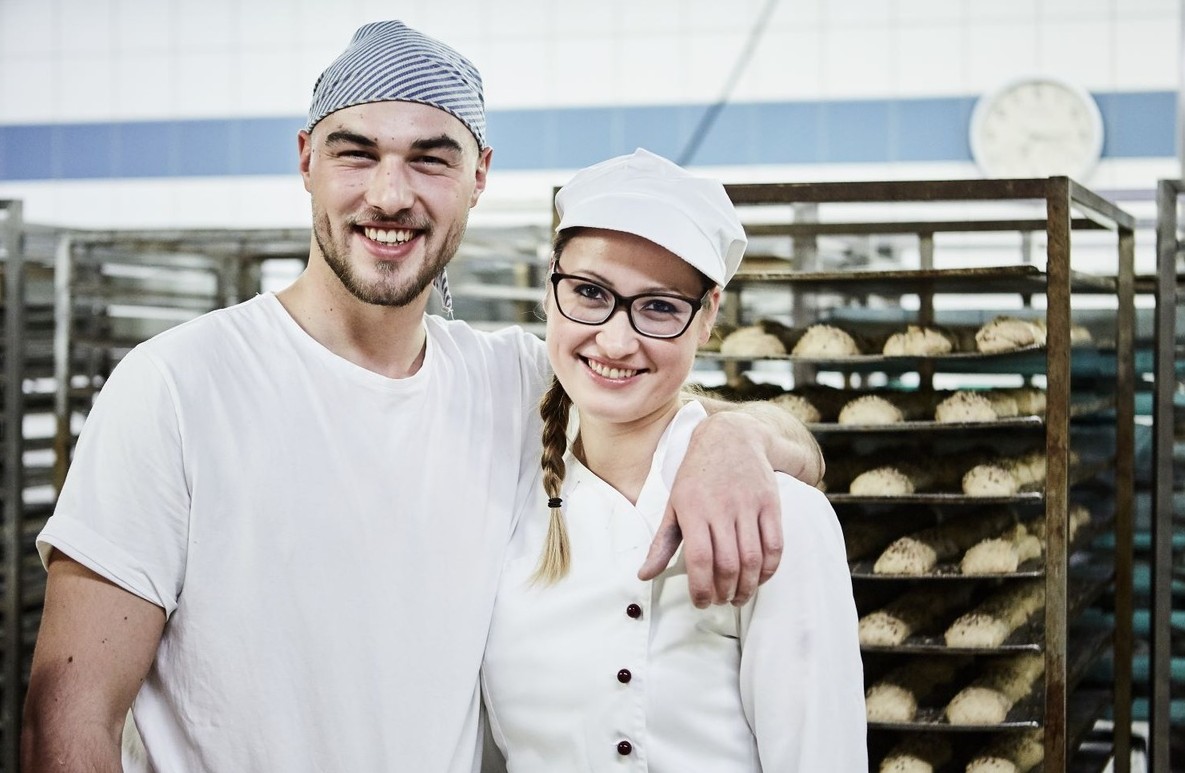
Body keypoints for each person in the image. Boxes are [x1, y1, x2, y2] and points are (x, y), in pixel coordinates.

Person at [20, 21, 825, 773]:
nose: (390, 194)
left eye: (431, 158)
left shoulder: (509, 381)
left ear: (479, 178)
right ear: (306, 159)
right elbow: (69, 712)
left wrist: (732, 441)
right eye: (356, 152)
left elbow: (716, 419)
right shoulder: (178, 385)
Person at [480, 149, 866, 771]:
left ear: (707, 316)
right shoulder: (503, 499)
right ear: (549, 285)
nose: (615, 339)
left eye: (659, 307)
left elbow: (821, 757)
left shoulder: (779, 515)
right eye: (588, 292)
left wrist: (741, 435)